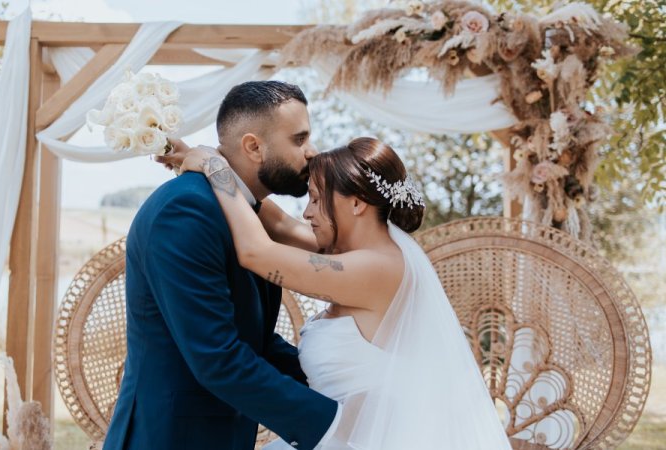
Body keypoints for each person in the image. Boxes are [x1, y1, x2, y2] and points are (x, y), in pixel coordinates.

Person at [173, 136, 513, 449]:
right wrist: (195, 156)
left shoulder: (378, 269)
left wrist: (213, 167)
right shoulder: (353, 255)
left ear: (356, 204)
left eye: (318, 200)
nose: (307, 212)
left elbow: (256, 252)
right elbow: (276, 224)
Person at [103, 81, 340, 450]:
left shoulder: (240, 211)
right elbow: (218, 357)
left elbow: (254, 340)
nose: (311, 152)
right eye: (298, 139)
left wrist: (341, 385)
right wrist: (335, 422)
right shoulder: (185, 212)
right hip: (170, 438)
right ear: (253, 147)